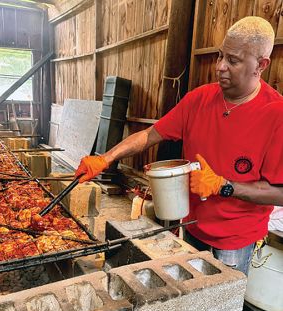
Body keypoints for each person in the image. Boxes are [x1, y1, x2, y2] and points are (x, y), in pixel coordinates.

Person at [75, 16, 283, 275]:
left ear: (261, 65)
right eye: (220, 56)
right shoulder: (199, 99)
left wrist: (223, 186)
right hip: (192, 224)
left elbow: (279, 193)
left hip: (235, 241)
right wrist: (106, 158)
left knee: (218, 308)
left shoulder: (276, 115)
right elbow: (150, 134)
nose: (220, 66)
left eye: (233, 60)